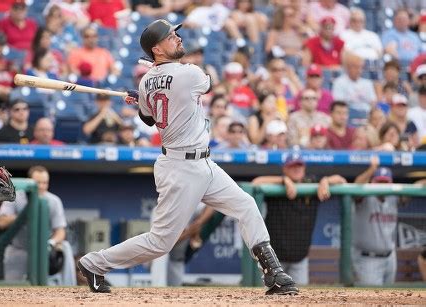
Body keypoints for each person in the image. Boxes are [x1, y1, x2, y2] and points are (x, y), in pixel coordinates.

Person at [77, 19, 299, 295]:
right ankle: (95, 263)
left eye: (175, 34)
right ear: (156, 49)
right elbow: (203, 84)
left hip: (203, 162)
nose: (178, 39)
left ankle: (273, 273)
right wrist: (152, 90)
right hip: (180, 166)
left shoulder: (147, 81)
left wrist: (143, 94)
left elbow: (148, 117)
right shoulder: (189, 73)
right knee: (160, 242)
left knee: (245, 205)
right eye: (170, 37)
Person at [252, 152, 346, 285]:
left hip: (300, 258)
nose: (297, 169)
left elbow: (341, 180)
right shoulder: (278, 186)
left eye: (299, 166)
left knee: (300, 298)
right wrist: (283, 180)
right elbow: (256, 183)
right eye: (292, 166)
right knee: (269, 297)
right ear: (285, 169)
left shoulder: (312, 183)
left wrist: (325, 181)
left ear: (304, 168)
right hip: (275, 258)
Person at [0, 165, 76, 285]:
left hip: (42, 251)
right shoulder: (14, 196)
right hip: (18, 250)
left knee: (43, 289)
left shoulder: (53, 201)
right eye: (38, 183)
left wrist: (51, 243)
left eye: (45, 183)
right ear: (29, 182)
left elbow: (60, 231)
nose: (41, 186)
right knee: (13, 289)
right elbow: (1, 222)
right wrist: (24, 215)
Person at [352, 157, 402, 286]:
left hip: (390, 257)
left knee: (389, 300)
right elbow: (355, 188)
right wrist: (372, 169)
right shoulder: (365, 197)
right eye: (379, 182)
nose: (382, 186)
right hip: (368, 259)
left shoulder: (394, 197)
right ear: (372, 182)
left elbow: (417, 188)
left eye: (386, 182)